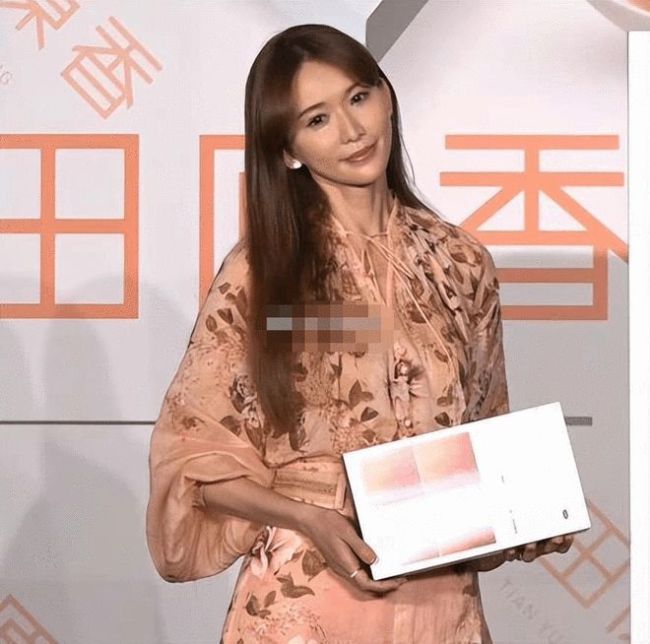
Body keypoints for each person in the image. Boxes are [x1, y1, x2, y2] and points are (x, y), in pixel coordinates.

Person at [146, 23, 574, 644]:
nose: (352, 130)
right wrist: (306, 517)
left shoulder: (460, 263)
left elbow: (484, 432)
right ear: (288, 149)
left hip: (439, 597)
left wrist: (523, 519)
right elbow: (194, 456)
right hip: (309, 591)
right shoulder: (264, 273)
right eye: (317, 120)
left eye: (358, 97)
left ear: (386, 96)